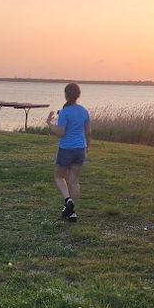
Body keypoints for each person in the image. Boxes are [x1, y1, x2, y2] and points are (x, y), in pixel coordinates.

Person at [46, 82, 91, 222]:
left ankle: (68, 200)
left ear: (66, 95)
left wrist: (49, 123)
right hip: (80, 149)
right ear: (78, 95)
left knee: (59, 177)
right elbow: (88, 132)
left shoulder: (64, 112)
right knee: (74, 181)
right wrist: (87, 148)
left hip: (66, 149)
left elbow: (60, 133)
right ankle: (72, 213)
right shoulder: (84, 111)